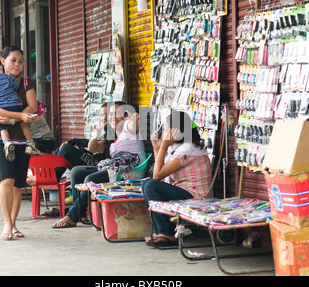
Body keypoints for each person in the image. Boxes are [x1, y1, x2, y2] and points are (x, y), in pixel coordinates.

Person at [52, 101, 146, 228]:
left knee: (90, 179)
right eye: (110, 114)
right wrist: (96, 134)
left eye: (116, 114)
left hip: (128, 172)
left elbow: (136, 119)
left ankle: (72, 215)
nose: (112, 117)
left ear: (125, 116)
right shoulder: (115, 136)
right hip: (115, 169)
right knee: (76, 172)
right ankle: (79, 213)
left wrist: (130, 117)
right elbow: (93, 148)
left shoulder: (129, 129)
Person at [0, 45, 38, 240]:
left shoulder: (26, 82)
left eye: (20, 61)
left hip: (23, 140)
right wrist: (18, 116)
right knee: (6, 179)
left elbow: (32, 108)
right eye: (13, 60)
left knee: (18, 185)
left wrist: (14, 120)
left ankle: (14, 225)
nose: (17, 64)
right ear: (3, 61)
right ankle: (7, 224)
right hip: (0, 137)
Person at [142, 110, 213, 246]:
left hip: (196, 195)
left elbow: (157, 175)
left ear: (177, 132)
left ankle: (167, 233)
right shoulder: (180, 148)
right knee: (148, 184)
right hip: (185, 191)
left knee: (150, 185)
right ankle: (161, 231)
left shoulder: (188, 149)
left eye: (167, 130)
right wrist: (157, 149)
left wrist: (163, 146)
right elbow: (160, 177)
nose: (164, 134)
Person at [0, 54, 41, 161]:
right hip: (15, 105)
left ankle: (7, 142)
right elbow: (16, 86)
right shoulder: (6, 77)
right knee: (23, 123)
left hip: (3, 109)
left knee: (3, 126)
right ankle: (30, 144)